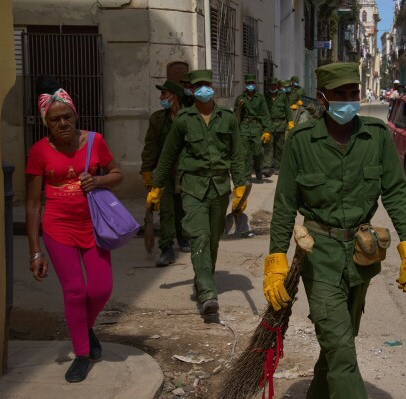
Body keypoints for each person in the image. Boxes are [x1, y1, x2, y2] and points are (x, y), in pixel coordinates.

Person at [262, 62, 406, 398]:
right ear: (322, 97)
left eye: (354, 93)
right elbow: (284, 204)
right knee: (341, 349)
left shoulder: (376, 136)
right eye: (340, 95)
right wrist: (276, 259)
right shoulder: (301, 141)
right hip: (318, 255)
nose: (348, 101)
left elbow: (395, 190)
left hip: (361, 255)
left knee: (341, 341)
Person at [26, 75, 124, 383]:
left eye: (67, 116)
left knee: (101, 288)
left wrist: (99, 180)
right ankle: (82, 353)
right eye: (55, 119)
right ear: (46, 122)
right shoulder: (39, 151)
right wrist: (35, 252)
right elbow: (32, 205)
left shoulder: (95, 141)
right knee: (75, 291)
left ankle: (84, 326)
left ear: (75, 114)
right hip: (58, 228)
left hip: (94, 226)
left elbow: (117, 173)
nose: (63, 123)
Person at [147, 69, 247, 315]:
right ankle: (207, 292)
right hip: (192, 186)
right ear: (191, 90)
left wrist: (242, 187)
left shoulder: (227, 118)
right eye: (198, 86)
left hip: (220, 188)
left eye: (207, 84)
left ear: (213, 86)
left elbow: (237, 155)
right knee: (199, 237)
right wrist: (156, 186)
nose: (203, 89)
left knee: (212, 241)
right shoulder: (183, 120)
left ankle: (203, 279)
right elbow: (168, 155)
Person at [141, 80, 191, 267]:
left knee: (183, 207)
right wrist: (147, 169)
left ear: (174, 96)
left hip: (186, 170)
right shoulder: (157, 119)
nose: (161, 98)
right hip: (165, 171)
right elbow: (150, 146)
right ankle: (167, 248)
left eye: (164, 94)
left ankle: (183, 237)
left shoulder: (189, 117)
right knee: (166, 209)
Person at [234, 74, 272, 182]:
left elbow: (265, 114)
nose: (250, 85)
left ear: (254, 84)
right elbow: (235, 116)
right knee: (245, 153)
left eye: (252, 83)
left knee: (257, 152)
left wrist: (267, 130)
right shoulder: (240, 98)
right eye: (248, 83)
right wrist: (239, 107)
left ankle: (258, 170)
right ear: (245, 84)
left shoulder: (260, 98)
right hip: (244, 127)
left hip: (256, 127)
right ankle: (247, 176)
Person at [264, 77, 293, 177]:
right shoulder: (265, 97)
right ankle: (267, 167)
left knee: (279, 147)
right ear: (268, 86)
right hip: (269, 124)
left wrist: (290, 121)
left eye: (274, 85)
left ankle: (277, 166)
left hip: (280, 124)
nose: (273, 87)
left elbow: (287, 110)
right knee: (268, 146)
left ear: (277, 86)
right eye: (271, 85)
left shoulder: (282, 96)